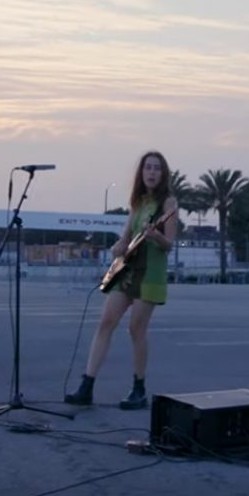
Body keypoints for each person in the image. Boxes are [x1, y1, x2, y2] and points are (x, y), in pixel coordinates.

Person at [65, 151, 178, 409]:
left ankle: (139, 389)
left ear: (163, 174)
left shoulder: (168, 203)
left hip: (150, 273)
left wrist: (155, 236)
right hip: (127, 270)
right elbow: (126, 237)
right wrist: (119, 245)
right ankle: (87, 384)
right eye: (147, 168)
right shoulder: (138, 202)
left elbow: (169, 244)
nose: (151, 172)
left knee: (136, 329)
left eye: (156, 169)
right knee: (106, 322)